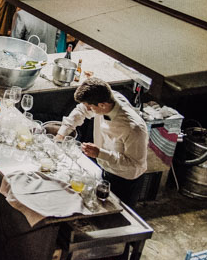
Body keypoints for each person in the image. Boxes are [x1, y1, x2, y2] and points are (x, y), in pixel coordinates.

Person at [56, 78, 148, 206]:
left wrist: (100, 153)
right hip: (104, 170)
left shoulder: (134, 128)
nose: (87, 109)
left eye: (90, 107)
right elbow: (81, 110)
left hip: (125, 180)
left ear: (102, 105)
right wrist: (61, 134)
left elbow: (134, 164)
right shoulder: (107, 98)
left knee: (117, 213)